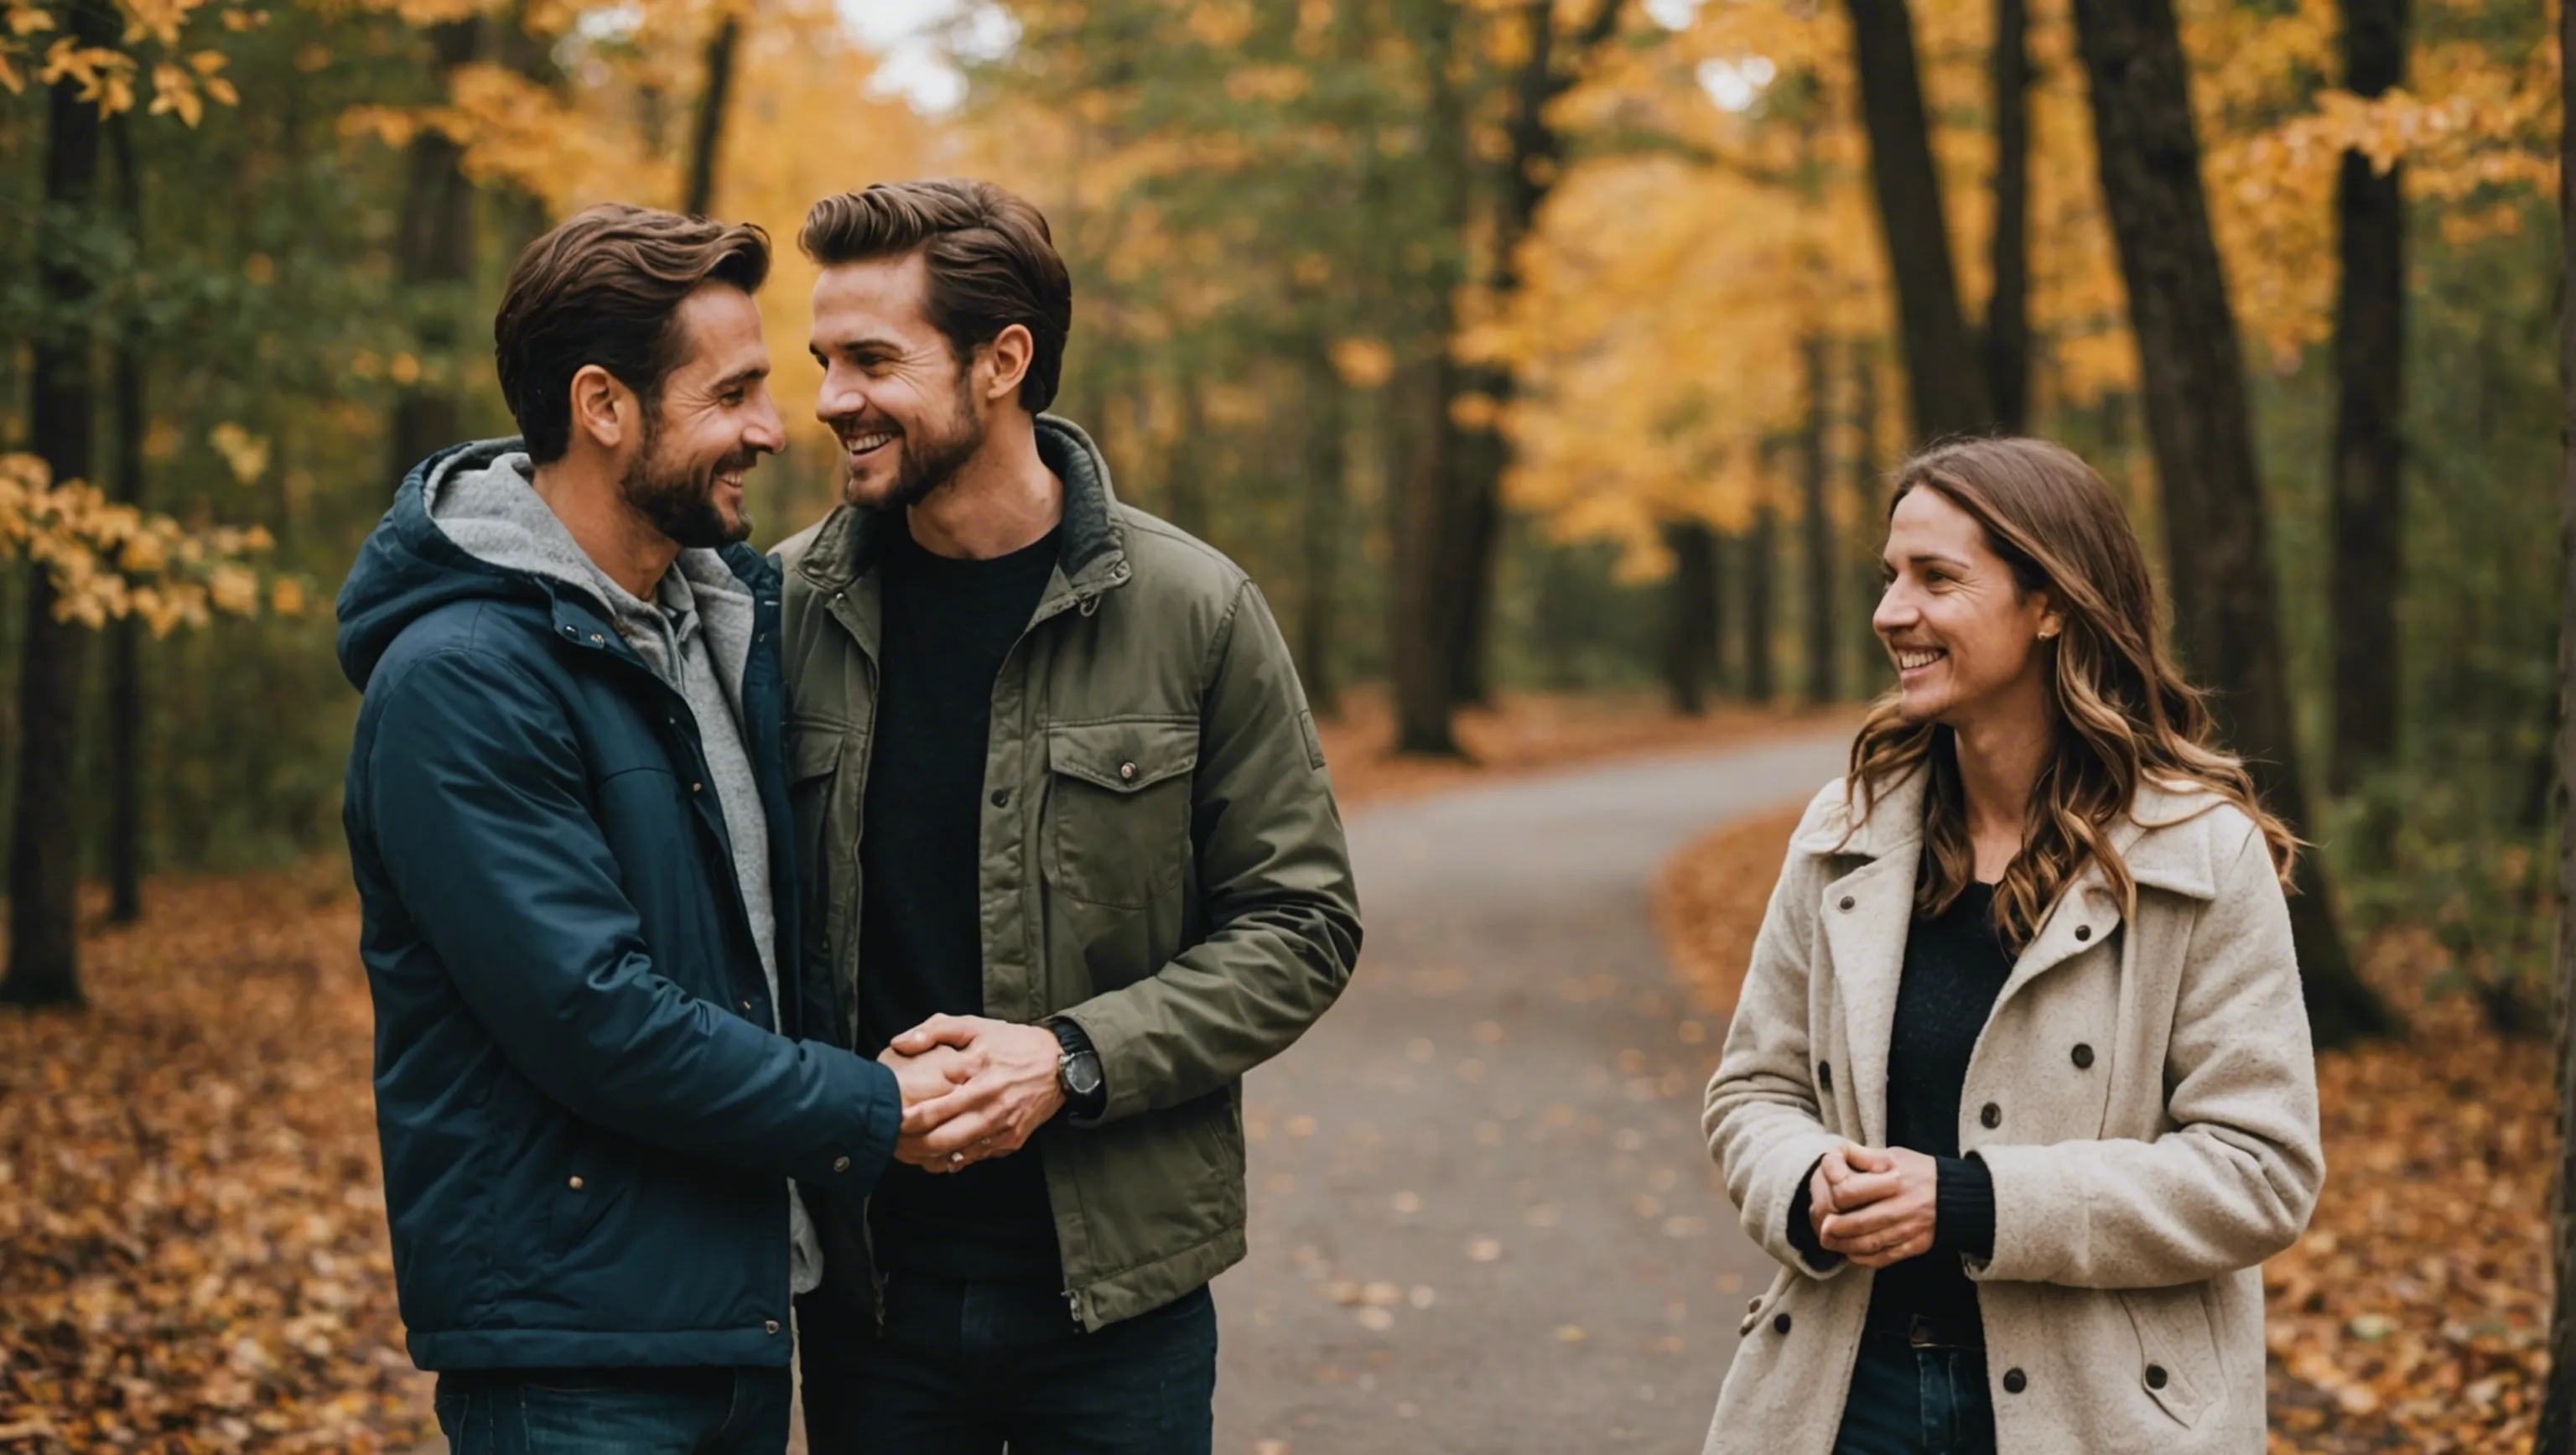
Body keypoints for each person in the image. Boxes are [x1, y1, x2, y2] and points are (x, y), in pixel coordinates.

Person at [337, 204, 963, 1454]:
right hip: (577, 1353)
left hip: (729, 1316)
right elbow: (592, 1012)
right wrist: (873, 1106)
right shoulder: (462, 678)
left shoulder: (714, 631)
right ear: (602, 406)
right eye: (731, 393)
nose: (774, 428)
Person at [775, 178, 1364, 1455]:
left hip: (1119, 1307)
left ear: (1003, 362)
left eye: (872, 359)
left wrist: (1072, 1057)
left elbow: (1303, 921)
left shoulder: (1193, 609)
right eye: (823, 359)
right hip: (867, 1299)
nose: (829, 399)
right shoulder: (778, 613)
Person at [1698, 437, 2324, 1455]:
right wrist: (1806, 1183)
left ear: (2050, 605)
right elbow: (1753, 1091)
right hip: (1847, 1400)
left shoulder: (2200, 854)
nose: (1892, 611)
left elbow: (2260, 1171)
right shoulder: (1845, 831)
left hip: (2097, 1413)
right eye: (1891, 576)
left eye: (1937, 579)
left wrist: (1977, 1201)